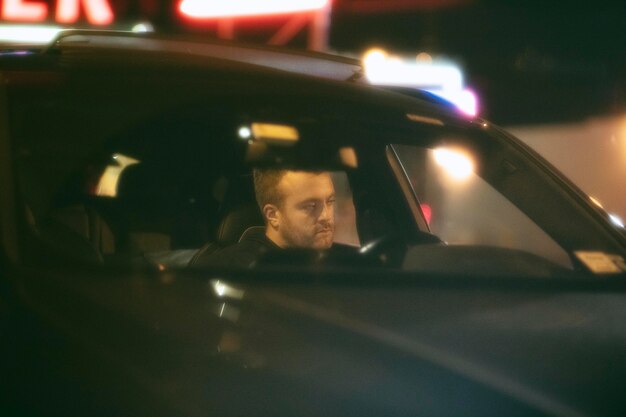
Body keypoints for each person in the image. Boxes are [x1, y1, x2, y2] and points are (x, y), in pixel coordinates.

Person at [194, 169, 336, 268]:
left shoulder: (344, 262)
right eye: (310, 206)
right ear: (273, 215)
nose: (326, 216)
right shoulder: (229, 271)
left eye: (330, 201)